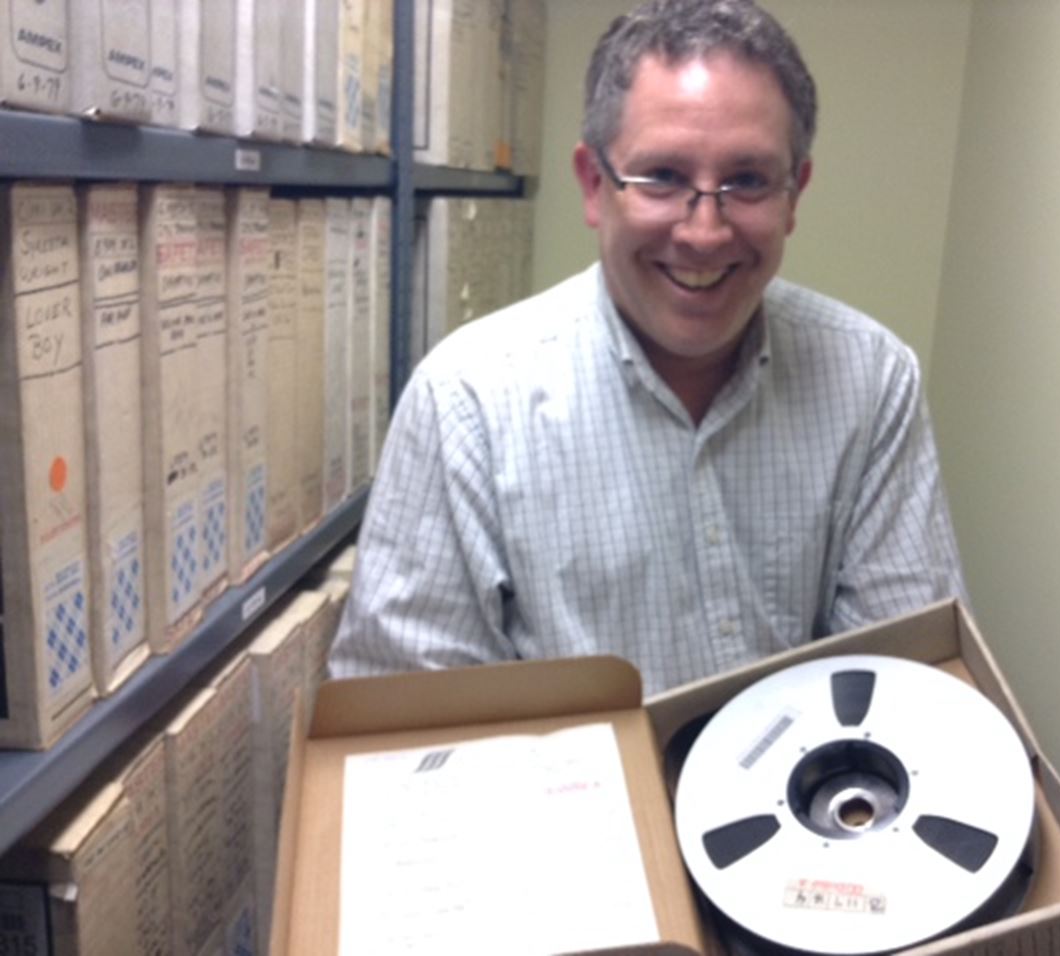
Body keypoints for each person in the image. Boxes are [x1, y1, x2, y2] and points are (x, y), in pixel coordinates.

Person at [328, 0, 967, 694]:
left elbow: (907, 682)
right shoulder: (465, 404)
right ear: (594, 186)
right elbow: (405, 723)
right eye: (662, 176)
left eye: (748, 180)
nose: (704, 232)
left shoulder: (872, 381)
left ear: (793, 196)